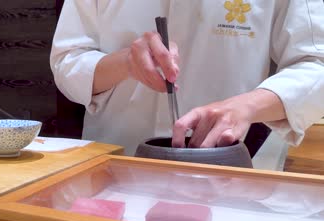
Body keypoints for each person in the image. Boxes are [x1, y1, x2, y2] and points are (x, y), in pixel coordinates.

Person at [50, 0, 324, 159]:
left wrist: (246, 107)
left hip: (223, 170)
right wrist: (126, 63)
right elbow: (68, 58)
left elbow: (315, 65)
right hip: (110, 162)